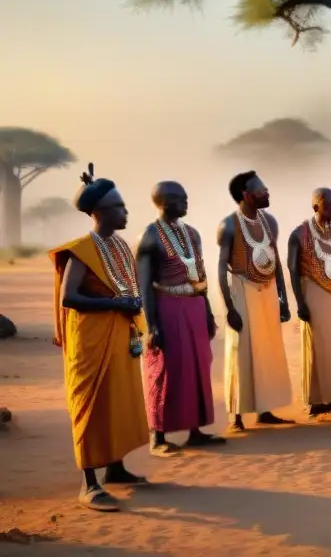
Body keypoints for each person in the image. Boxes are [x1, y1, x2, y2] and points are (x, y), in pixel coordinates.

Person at [49, 164, 149, 512]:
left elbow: (129, 285)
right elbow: (69, 297)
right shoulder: (81, 250)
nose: (126, 212)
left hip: (121, 336)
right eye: (120, 207)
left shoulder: (120, 246)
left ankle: (116, 468)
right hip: (91, 343)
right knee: (90, 408)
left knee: (117, 403)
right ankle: (89, 484)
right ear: (101, 212)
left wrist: (130, 305)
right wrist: (114, 303)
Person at [136, 181, 223, 456]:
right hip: (166, 307)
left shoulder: (193, 234)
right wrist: (151, 326)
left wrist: (207, 310)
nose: (186, 203)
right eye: (180, 199)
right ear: (163, 202)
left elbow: (200, 276)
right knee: (165, 369)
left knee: (197, 368)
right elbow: (144, 285)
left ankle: (194, 430)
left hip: (194, 306)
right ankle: (157, 436)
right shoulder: (149, 237)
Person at [217, 171, 293, 432]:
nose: (267, 192)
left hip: (268, 290)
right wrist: (229, 308)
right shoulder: (228, 226)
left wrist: (282, 297)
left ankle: (265, 410)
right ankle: (235, 417)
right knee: (241, 352)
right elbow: (220, 269)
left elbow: (276, 261)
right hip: (242, 290)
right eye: (262, 190)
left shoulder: (269, 222)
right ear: (247, 196)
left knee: (266, 351)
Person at [286, 188, 331, 417]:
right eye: (330, 205)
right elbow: (294, 270)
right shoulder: (299, 234)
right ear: (316, 207)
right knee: (316, 347)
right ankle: (316, 401)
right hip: (313, 294)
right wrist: (300, 303)